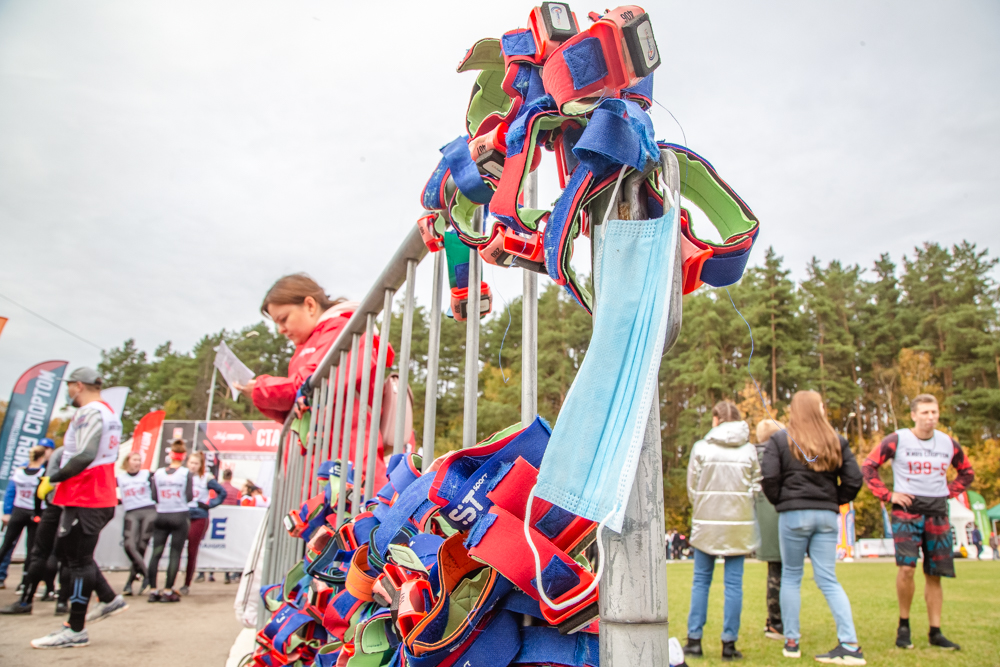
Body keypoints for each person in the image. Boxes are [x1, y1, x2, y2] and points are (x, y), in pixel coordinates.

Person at [234, 274, 394, 491]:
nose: (280, 330)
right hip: (323, 466)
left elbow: (309, 386)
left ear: (309, 305)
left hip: (346, 464)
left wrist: (260, 389)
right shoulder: (311, 343)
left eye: (283, 319)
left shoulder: (343, 330)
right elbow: (299, 406)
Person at [862, 393, 974, 652]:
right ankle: (904, 626)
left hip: (937, 509)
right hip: (906, 510)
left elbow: (967, 471)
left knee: (935, 573)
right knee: (907, 569)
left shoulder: (948, 443)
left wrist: (950, 491)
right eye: (924, 412)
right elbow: (868, 466)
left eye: (934, 412)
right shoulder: (898, 439)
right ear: (913, 415)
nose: (930, 417)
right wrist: (888, 495)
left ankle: (935, 631)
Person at [761, 390, 865, 665]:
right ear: (818, 409)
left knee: (792, 577)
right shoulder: (836, 440)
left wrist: (783, 502)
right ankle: (850, 643)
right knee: (828, 579)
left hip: (793, 516)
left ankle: (791, 640)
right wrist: (833, 501)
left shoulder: (780, 440)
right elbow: (854, 479)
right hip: (826, 517)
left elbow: (769, 478)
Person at [29, 367, 129, 649]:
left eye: (70, 386)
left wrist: (53, 478)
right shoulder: (107, 410)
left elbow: (85, 453)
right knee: (70, 553)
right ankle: (109, 599)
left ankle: (75, 629)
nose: (68, 392)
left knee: (77, 560)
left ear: (78, 386)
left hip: (87, 494)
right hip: (93, 493)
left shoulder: (90, 412)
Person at [683, 401, 761, 662]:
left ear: (716, 419)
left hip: (707, 523)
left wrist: (705, 509)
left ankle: (694, 640)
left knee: (701, 582)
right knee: (733, 585)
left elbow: (692, 487)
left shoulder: (701, 448)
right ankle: (729, 644)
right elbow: (757, 486)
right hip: (738, 526)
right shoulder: (749, 449)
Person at [0, 438, 54, 590]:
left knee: (28, 547)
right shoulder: (43, 472)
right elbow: (12, 491)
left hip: (25, 510)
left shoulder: (20, 472)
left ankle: (26, 580)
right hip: (30, 511)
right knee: (11, 545)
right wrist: (7, 511)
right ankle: (12, 578)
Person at [146, 439, 194, 603]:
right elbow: (189, 497)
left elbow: (153, 496)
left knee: (156, 553)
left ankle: (153, 590)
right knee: (175, 554)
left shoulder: (158, 473)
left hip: (161, 514)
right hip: (179, 515)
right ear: (183, 456)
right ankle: (167, 590)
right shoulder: (185, 473)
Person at [755, 419, 786, 642]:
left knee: (774, 572)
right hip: (782, 515)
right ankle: (779, 621)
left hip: (759, 519)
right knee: (783, 574)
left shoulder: (750, 455)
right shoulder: (783, 454)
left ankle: (775, 620)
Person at [181, 451, 226, 595]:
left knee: (192, 551)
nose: (193, 466)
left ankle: (186, 583)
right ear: (187, 463)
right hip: (182, 514)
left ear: (200, 465)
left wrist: (210, 504)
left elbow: (222, 492)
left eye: (196, 463)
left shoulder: (206, 478)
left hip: (199, 515)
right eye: (191, 463)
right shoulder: (182, 476)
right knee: (176, 549)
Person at [116, 452, 157, 596]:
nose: (137, 462)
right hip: (131, 512)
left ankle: (129, 584)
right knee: (129, 545)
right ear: (127, 461)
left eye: (139, 460)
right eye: (134, 460)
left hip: (148, 511)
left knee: (141, 547)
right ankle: (147, 576)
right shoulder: (120, 478)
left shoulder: (146, 474)